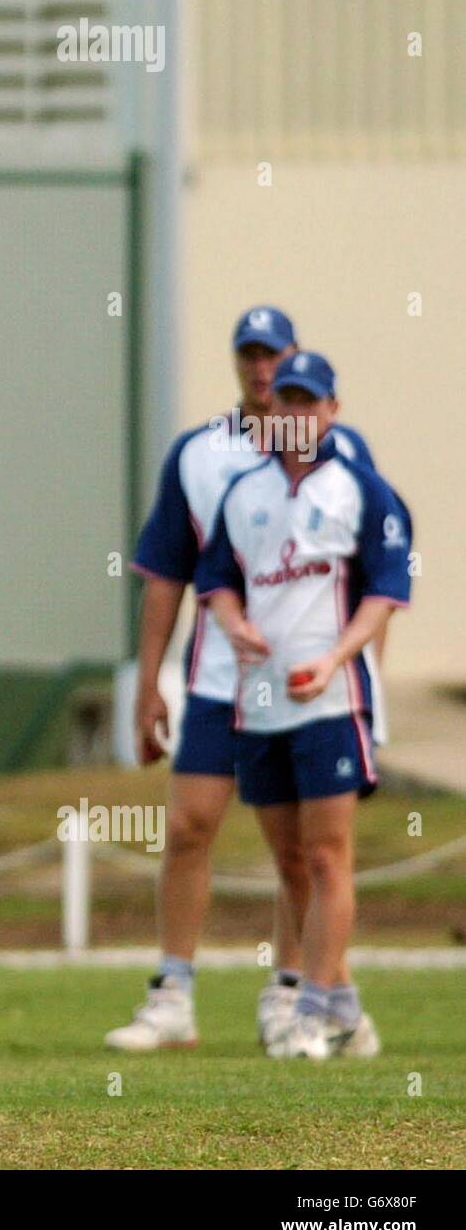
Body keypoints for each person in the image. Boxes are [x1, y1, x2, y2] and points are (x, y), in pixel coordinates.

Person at [106, 307, 376, 1052]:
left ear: (297, 364)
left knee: (303, 851)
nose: (262, 371)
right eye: (249, 356)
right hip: (221, 677)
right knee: (189, 826)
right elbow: (167, 574)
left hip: (309, 685)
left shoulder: (345, 457)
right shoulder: (199, 456)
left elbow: (372, 581)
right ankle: (174, 994)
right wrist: (151, 679)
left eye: (274, 357)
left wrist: (359, 676)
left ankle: (295, 991)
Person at [194, 350, 411, 1058]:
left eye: (309, 402)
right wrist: (233, 624)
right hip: (260, 703)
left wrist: (336, 658)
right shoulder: (245, 491)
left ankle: (310, 1012)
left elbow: (384, 594)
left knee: (325, 856)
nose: (296, 414)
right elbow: (217, 578)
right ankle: (347, 1008)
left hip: (331, 700)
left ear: (331, 412)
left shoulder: (361, 491)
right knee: (288, 861)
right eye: (285, 402)